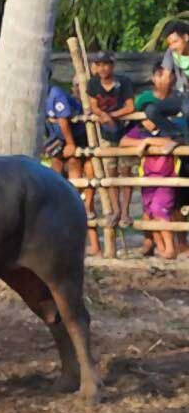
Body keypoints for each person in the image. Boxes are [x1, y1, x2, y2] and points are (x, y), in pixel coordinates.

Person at [45, 73, 98, 256]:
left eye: (81, 86)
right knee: (57, 168)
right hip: (59, 142)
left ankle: (93, 245)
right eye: (75, 85)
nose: (78, 89)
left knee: (83, 192)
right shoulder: (44, 94)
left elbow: (63, 121)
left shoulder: (56, 95)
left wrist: (70, 143)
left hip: (77, 140)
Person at [88, 50, 136, 226]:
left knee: (125, 171)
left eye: (105, 64)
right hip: (107, 134)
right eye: (99, 65)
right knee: (111, 171)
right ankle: (115, 209)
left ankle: (125, 211)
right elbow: (93, 106)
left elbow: (130, 107)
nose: (102, 68)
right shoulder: (93, 84)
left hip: (125, 132)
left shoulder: (123, 82)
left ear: (112, 66)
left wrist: (113, 115)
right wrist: (102, 114)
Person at [119, 123, 179, 259]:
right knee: (150, 213)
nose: (147, 122)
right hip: (148, 179)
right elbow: (123, 141)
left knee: (160, 210)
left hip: (165, 179)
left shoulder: (167, 126)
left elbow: (170, 142)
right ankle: (161, 247)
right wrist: (142, 142)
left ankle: (170, 248)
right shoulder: (140, 130)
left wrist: (147, 142)